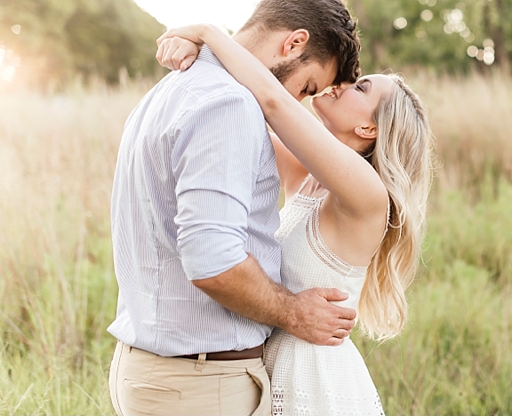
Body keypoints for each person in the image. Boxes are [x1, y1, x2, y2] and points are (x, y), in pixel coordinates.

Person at [107, 0, 362, 416]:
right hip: (200, 387)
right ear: (294, 43)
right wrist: (294, 313)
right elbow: (213, 260)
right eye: (307, 86)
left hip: (159, 372)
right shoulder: (229, 105)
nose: (296, 102)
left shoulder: (172, 89)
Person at [156, 21, 433, 415]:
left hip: (313, 376)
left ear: (368, 127)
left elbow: (273, 101)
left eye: (361, 87)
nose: (343, 83)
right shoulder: (306, 178)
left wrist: (206, 33)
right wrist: (194, 53)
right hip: (269, 362)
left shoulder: (367, 195)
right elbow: (232, 111)